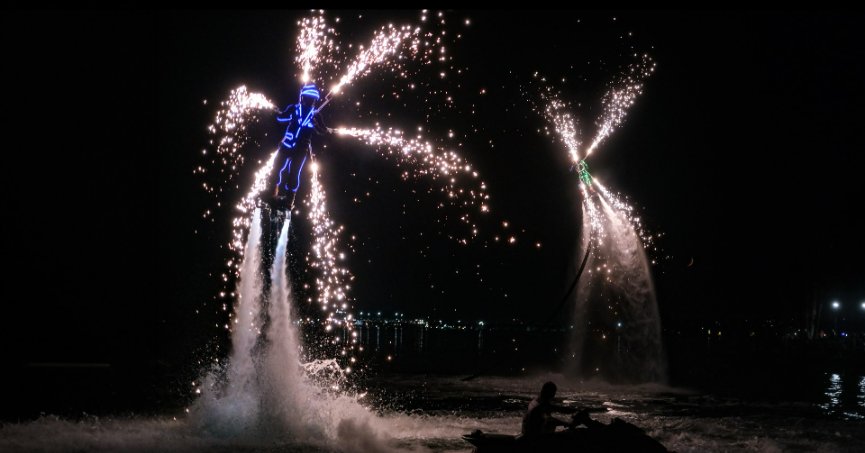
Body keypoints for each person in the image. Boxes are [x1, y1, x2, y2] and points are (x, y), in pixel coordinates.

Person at [266, 82, 331, 212]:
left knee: (294, 174)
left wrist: (317, 126)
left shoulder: (315, 115)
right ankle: (272, 195)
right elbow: (281, 118)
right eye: (308, 98)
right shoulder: (294, 108)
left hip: (301, 149)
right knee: (276, 167)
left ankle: (289, 202)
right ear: (303, 97)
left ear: (314, 100)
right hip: (287, 145)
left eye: (312, 99)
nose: (310, 101)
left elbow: (323, 131)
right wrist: (277, 112)